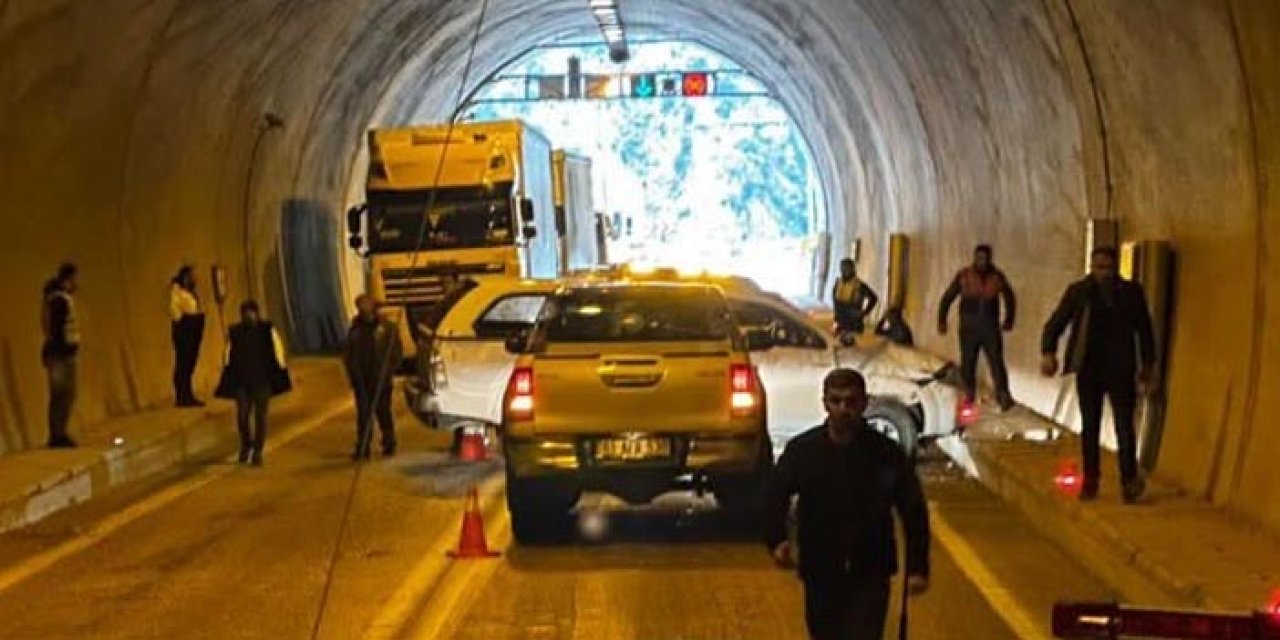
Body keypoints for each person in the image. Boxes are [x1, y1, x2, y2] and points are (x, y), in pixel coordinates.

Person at [765, 368, 930, 640]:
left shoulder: (885, 453)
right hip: (820, 569)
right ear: (825, 403)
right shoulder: (804, 451)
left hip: (871, 569)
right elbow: (775, 494)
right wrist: (777, 540)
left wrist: (917, 567)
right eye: (836, 401)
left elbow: (912, 509)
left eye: (851, 402)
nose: (844, 409)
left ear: (864, 403)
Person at [1041, 247, 1156, 503]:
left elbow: (1144, 328)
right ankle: (1091, 480)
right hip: (1089, 367)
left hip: (1121, 367)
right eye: (1098, 267)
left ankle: (1128, 481)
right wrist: (1048, 351)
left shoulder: (1131, 293)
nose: (1102, 273)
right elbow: (1057, 321)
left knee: (1125, 427)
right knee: (1090, 426)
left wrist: (1147, 363)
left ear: (1116, 268)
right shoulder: (1079, 292)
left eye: (1106, 267)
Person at [938, 244, 1018, 410]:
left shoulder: (997, 277)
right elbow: (948, 297)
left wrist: (1009, 318)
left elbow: (1009, 297)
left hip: (990, 327)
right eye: (979, 257)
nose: (982, 261)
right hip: (969, 328)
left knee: (996, 362)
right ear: (974, 257)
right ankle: (967, 395)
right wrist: (942, 320)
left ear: (990, 259)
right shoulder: (964, 275)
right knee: (968, 363)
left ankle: (1003, 395)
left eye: (985, 258)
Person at [215, 300, 291, 466]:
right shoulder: (234, 332)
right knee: (242, 416)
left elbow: (278, 351)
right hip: (241, 382)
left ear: (256, 313)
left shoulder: (267, 330)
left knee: (260, 417)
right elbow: (227, 355)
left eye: (251, 312)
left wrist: (281, 372)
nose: (248, 316)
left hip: (262, 381)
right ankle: (246, 445)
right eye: (245, 313)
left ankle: (257, 451)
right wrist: (227, 373)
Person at [344, 294, 401, 460]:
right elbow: (348, 353)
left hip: (381, 378)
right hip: (362, 379)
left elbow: (396, 353)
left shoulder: (387, 328)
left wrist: (388, 371)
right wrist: (352, 373)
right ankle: (363, 446)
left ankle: (389, 442)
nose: (362, 310)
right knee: (363, 414)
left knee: (383, 412)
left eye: (365, 306)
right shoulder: (355, 329)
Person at [41, 263, 81, 449]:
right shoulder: (59, 299)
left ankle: (58, 433)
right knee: (63, 394)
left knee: (63, 394)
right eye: (74, 279)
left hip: (59, 353)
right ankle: (58, 435)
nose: (76, 283)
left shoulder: (56, 298)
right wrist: (63, 349)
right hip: (61, 355)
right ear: (68, 278)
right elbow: (57, 329)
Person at [170, 266, 207, 407]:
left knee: (190, 362)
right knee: (183, 363)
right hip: (184, 329)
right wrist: (184, 322)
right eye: (192, 276)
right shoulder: (176, 292)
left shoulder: (189, 293)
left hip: (193, 327)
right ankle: (182, 395)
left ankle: (188, 393)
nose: (195, 279)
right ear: (185, 278)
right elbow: (174, 311)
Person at [832, 258, 878, 340]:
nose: (843, 270)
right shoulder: (838, 282)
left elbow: (873, 298)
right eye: (842, 267)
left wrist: (865, 312)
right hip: (840, 321)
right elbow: (835, 299)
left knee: (851, 347)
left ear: (852, 269)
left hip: (853, 323)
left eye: (846, 268)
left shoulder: (859, 285)